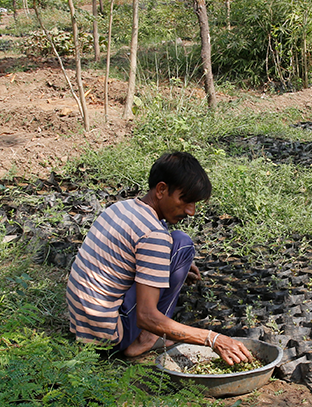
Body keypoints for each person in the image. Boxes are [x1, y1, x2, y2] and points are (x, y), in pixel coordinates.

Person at [66, 151, 255, 364]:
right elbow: (146, 316)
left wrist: (167, 265)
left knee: (178, 244)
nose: (191, 211)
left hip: (82, 324)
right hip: (109, 335)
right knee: (183, 245)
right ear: (161, 190)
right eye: (185, 200)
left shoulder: (121, 207)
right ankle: (145, 340)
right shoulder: (153, 235)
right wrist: (213, 338)